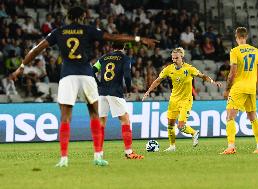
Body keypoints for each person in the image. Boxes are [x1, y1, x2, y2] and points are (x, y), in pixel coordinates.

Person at [11, 6, 158, 167]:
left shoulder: (59, 31)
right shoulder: (88, 30)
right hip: (86, 75)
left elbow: (37, 48)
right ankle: (97, 156)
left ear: (68, 17)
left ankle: (64, 159)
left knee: (66, 117)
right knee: (95, 115)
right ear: (82, 17)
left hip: (67, 76)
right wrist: (139, 39)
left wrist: (22, 66)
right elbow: (112, 36)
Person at [142, 47, 221, 151]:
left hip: (186, 100)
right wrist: (148, 91)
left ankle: (194, 133)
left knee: (180, 126)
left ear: (182, 57)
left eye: (176, 58)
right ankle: (172, 146)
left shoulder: (189, 68)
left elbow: (203, 76)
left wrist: (213, 82)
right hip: (173, 99)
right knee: (170, 124)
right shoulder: (168, 69)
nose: (174, 60)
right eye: (173, 58)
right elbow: (157, 81)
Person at [93, 42, 144, 163]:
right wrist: (129, 88)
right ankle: (129, 152)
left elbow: (92, 70)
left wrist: (99, 84)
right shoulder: (125, 58)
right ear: (123, 48)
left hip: (102, 93)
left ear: (112, 48)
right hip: (115, 92)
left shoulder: (104, 57)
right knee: (125, 119)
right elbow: (127, 74)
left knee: (101, 122)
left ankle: (99, 153)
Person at [221, 27, 258, 155]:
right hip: (251, 87)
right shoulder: (255, 51)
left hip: (239, 87)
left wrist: (227, 89)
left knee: (230, 116)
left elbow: (232, 72)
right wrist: (255, 86)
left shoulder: (235, 51)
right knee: (253, 117)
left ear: (236, 37)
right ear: (246, 36)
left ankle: (231, 146)